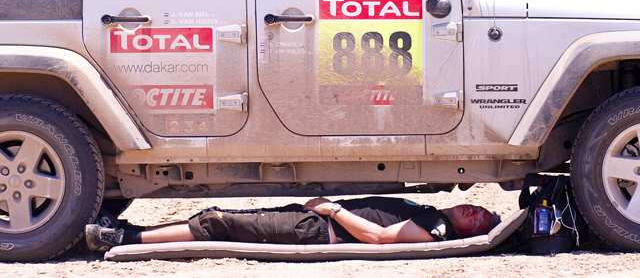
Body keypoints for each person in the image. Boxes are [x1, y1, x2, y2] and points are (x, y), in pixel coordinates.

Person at [85, 196, 499, 251]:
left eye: (478, 221)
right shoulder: (434, 212)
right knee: (215, 219)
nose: (474, 211)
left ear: (468, 234)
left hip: (318, 228)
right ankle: (129, 231)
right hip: (315, 218)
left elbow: (380, 237)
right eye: (479, 207)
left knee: (217, 223)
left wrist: (333, 210)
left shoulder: (436, 228)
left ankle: (120, 237)